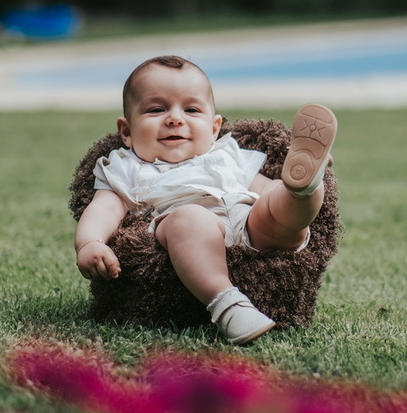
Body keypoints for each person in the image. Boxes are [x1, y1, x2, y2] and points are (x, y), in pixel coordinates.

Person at [74, 55, 337, 345]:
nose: (175, 119)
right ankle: (228, 303)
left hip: (246, 223)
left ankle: (304, 188)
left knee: (275, 202)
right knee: (190, 218)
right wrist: (90, 243)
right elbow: (102, 209)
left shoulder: (227, 154)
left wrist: (281, 194)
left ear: (213, 129)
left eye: (191, 109)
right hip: (185, 230)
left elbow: (261, 188)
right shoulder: (125, 167)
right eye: (157, 109)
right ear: (126, 131)